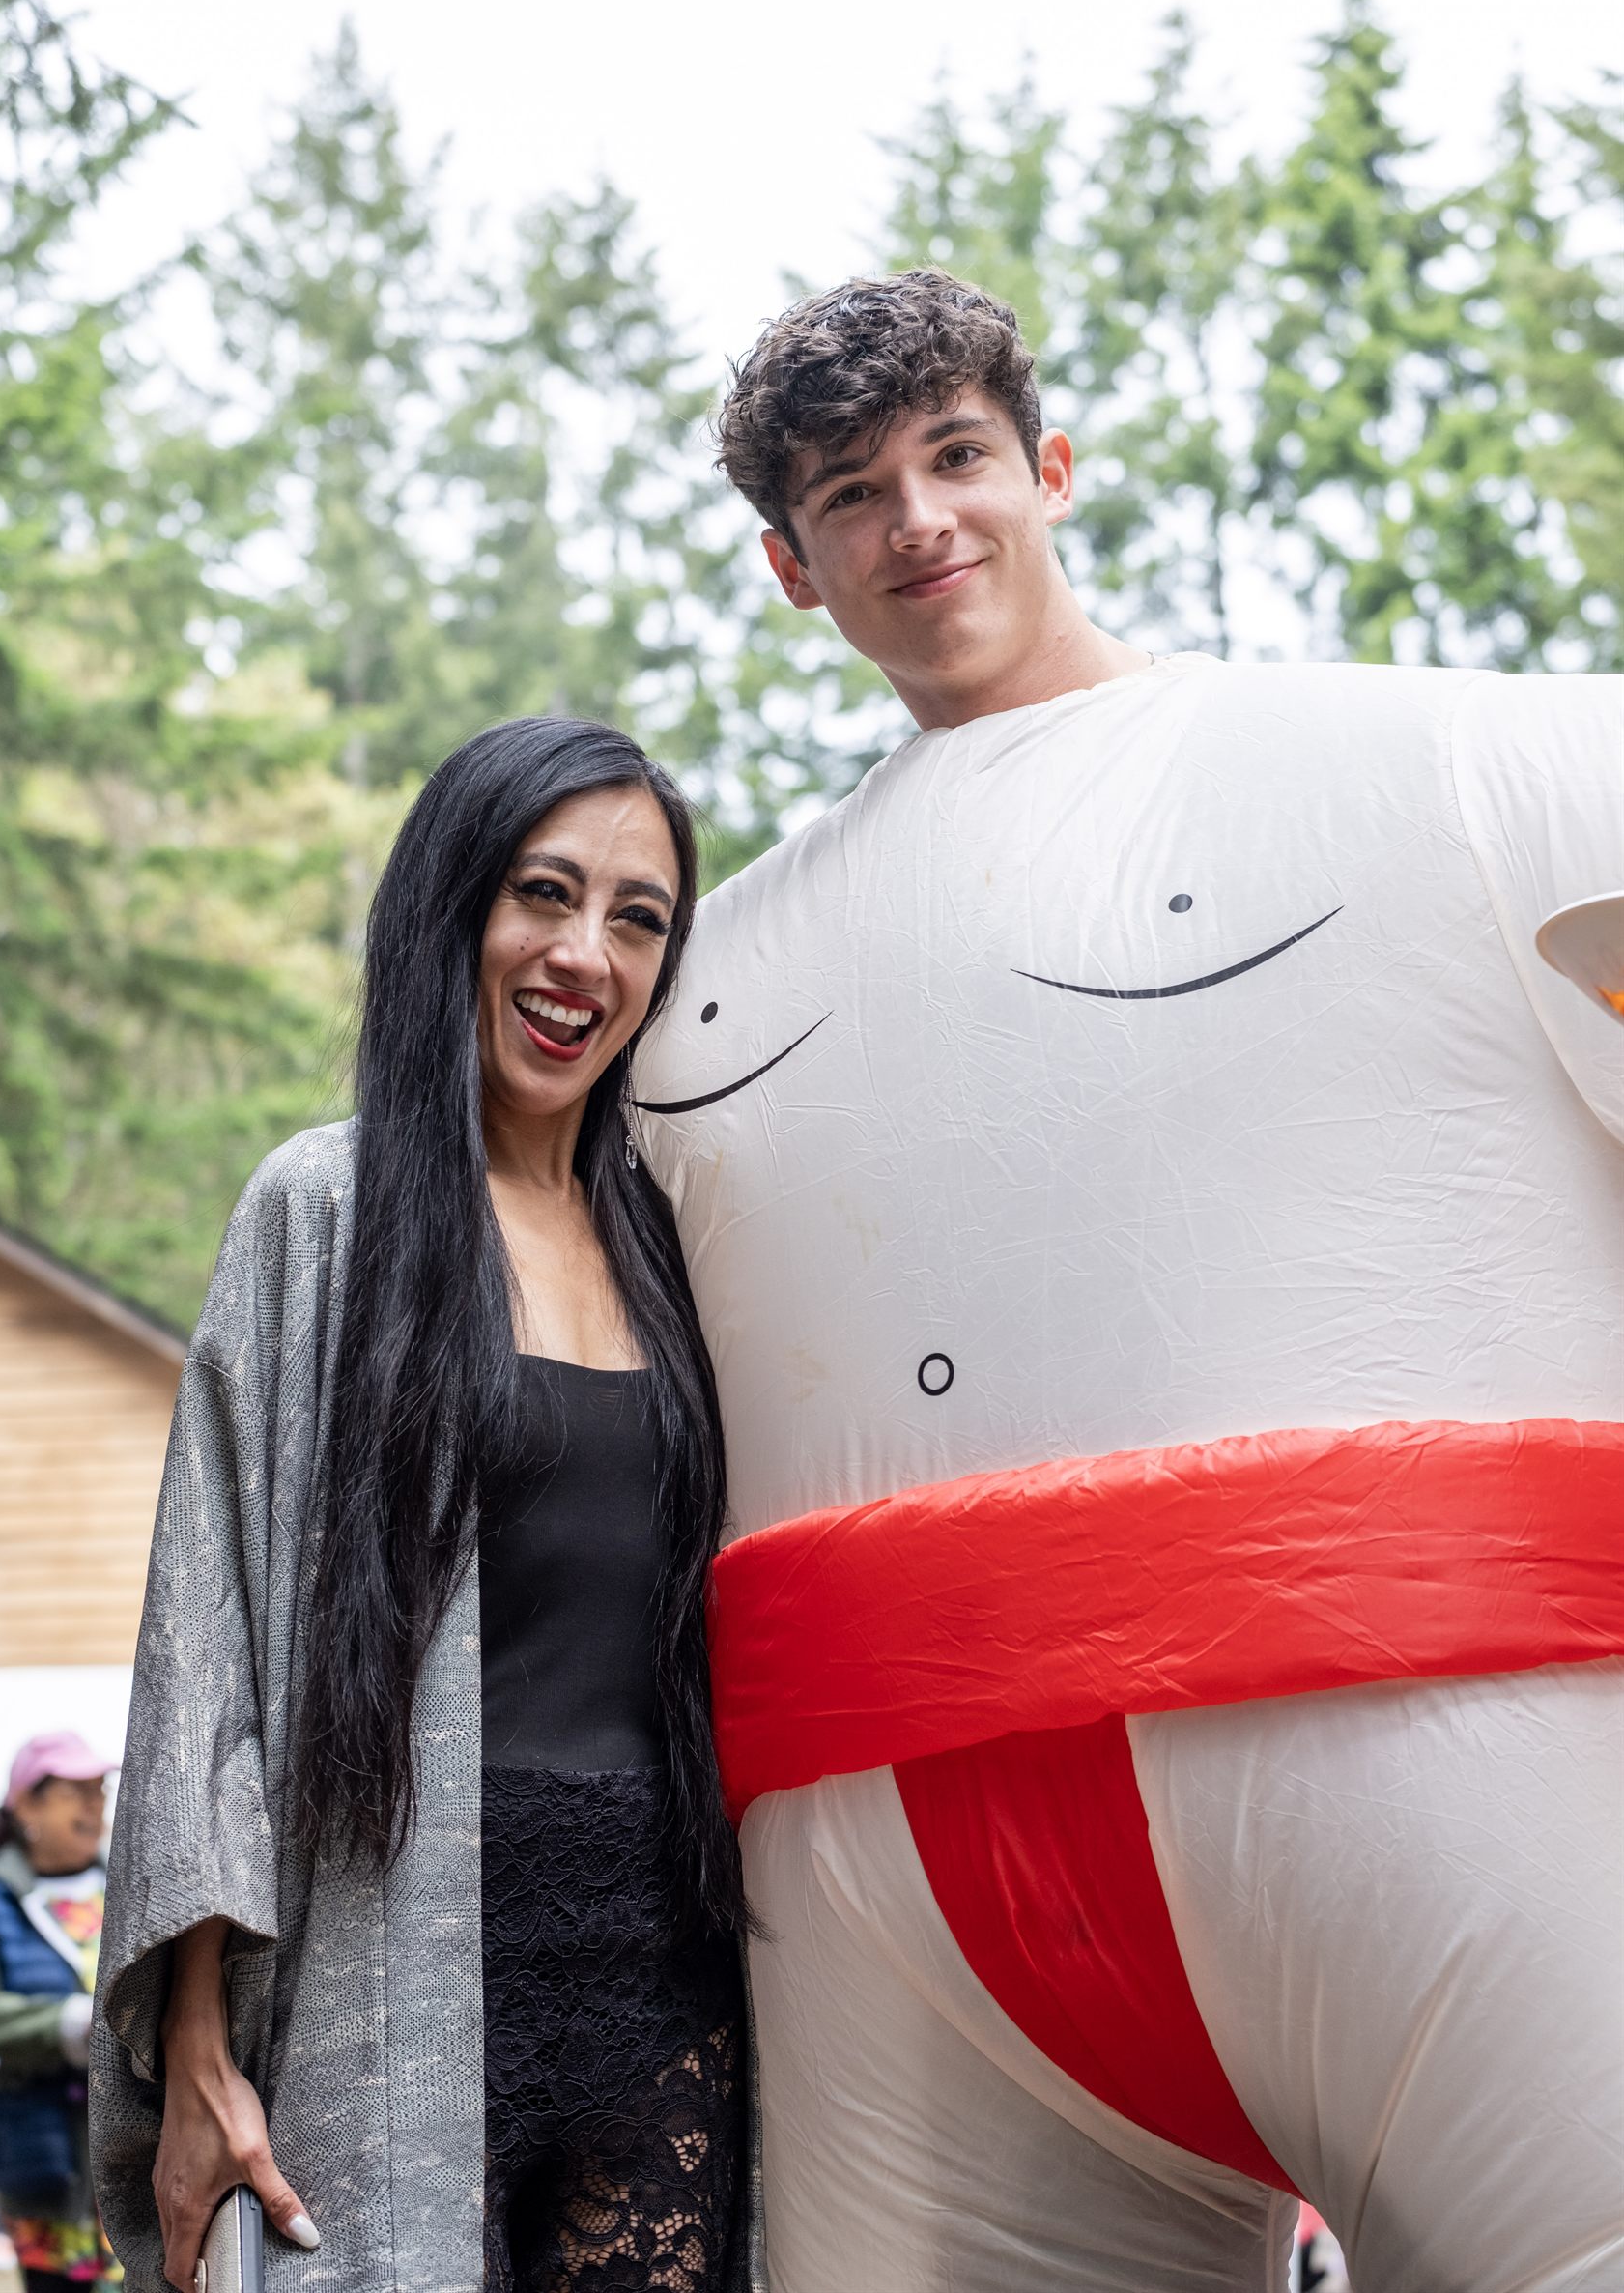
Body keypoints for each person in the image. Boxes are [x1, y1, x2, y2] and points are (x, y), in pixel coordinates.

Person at [627, 270, 1624, 2291]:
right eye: (849, 493)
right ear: (789, 568)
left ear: (1045, 467)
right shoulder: (678, 988)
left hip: (1452, 1772)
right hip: (890, 1905)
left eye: (953, 458)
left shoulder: (1441, 763)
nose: (917, 519)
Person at [93, 718, 761, 2293]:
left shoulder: (677, 1246)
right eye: (543, 893)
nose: (582, 955)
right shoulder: (320, 1211)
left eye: (638, 918)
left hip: (661, 1979)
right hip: (394, 1968)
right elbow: (212, 1652)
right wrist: (197, 2043)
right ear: (450, 908)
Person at [0, 1733, 119, 2290]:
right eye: (75, 1791)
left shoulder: (126, 1885)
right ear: (27, 1804)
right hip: (40, 2153)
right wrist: (68, 2025)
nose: (95, 1803)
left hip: (128, 2152)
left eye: (99, 1789)